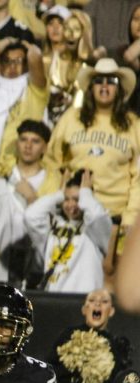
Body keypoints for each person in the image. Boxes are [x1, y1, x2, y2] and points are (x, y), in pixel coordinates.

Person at [49, 58, 140, 272]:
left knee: (108, 280)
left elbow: (139, 177)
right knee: (69, 275)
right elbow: (53, 161)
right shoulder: (72, 118)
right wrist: (58, 197)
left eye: (111, 81)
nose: (105, 86)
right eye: (99, 81)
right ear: (91, 87)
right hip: (74, 216)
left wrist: (131, 217)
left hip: (113, 219)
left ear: (119, 89)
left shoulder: (133, 125)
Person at [0, 119, 59, 286]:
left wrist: (32, 199)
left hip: (32, 270)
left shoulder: (53, 184)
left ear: (45, 147)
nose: (28, 146)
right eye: (23, 139)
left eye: (35, 141)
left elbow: (53, 228)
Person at [26, 170, 112, 294]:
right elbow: (30, 216)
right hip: (54, 299)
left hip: (84, 300)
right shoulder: (54, 225)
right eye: (67, 199)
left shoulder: (95, 228)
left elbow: (96, 215)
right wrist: (59, 195)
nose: (71, 204)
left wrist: (86, 193)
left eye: (77, 199)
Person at [0, 38, 46, 182]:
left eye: (19, 61)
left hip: (21, 172)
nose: (12, 66)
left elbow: (35, 56)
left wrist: (24, 43)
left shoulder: (34, 88)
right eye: (7, 61)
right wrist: (9, 40)